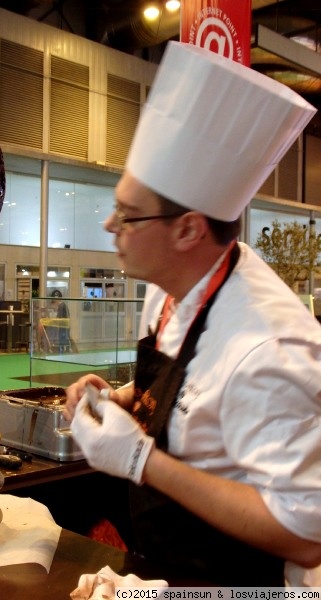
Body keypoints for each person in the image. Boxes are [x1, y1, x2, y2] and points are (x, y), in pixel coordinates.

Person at [64, 42, 321, 587]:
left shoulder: (267, 347)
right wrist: (116, 402)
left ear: (188, 230)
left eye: (129, 216)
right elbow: (189, 396)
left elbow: (305, 534)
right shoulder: (168, 288)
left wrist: (140, 460)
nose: (111, 226)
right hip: (164, 566)